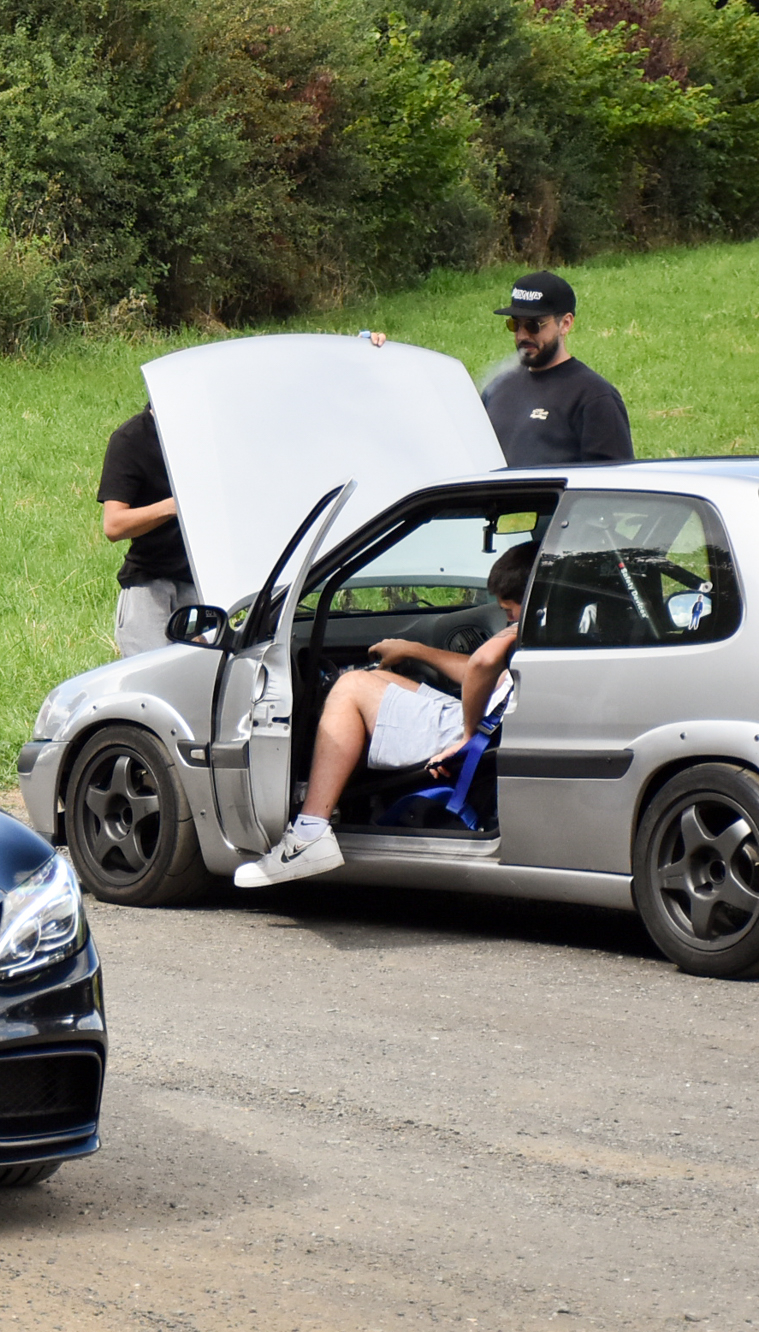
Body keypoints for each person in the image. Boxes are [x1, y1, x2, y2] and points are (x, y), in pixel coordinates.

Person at [233, 543, 533, 888]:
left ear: (531, 600)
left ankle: (310, 832)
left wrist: (469, 737)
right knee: (379, 679)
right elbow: (491, 676)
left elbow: (482, 663)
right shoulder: (563, 620)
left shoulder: (529, 625)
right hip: (489, 713)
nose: (508, 619)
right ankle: (333, 798)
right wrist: (414, 650)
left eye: (509, 611)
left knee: (350, 686)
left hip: (482, 728)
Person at [482, 271, 632, 467]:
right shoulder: (498, 387)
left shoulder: (594, 396)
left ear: (565, 324)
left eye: (534, 325)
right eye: (515, 324)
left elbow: (612, 484)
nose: (522, 335)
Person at [97, 406, 196, 656]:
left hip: (204, 581)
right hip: (150, 585)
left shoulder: (202, 432)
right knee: (152, 679)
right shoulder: (131, 439)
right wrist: (171, 507)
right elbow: (113, 525)